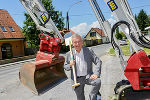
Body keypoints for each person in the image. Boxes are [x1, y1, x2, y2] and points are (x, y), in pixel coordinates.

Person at [64, 33, 102, 100]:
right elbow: (65, 67)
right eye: (75, 42)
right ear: (72, 43)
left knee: (97, 81)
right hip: (77, 80)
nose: (77, 44)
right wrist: (70, 65)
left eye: (79, 42)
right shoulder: (69, 54)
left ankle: (92, 97)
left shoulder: (88, 51)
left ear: (82, 42)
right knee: (80, 98)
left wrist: (96, 73)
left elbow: (98, 61)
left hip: (88, 76)